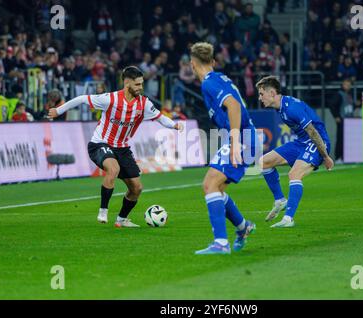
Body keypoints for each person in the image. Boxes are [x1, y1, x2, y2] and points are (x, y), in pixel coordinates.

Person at [48, 66, 183, 228]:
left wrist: (174, 125)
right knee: (113, 169)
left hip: (122, 148)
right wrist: (58, 110)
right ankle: (103, 210)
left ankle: (121, 219)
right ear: (127, 84)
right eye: (138, 84)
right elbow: (82, 99)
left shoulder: (143, 103)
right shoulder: (110, 99)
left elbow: (160, 117)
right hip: (100, 144)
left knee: (137, 188)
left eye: (142, 84)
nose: (141, 88)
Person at [190, 42, 256, 255]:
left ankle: (221, 243)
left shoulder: (209, 83)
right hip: (243, 137)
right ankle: (243, 226)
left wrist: (236, 141)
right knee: (215, 188)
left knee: (209, 185)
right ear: (213, 62)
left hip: (242, 138)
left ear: (192, 64)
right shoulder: (219, 78)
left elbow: (234, 106)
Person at [256, 76, 334, 228]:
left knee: (294, 174)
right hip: (301, 142)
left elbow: (312, 131)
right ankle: (280, 200)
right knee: (263, 162)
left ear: (272, 93)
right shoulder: (281, 107)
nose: (260, 98)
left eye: (261, 94)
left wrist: (325, 156)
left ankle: (288, 219)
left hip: (317, 141)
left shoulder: (291, 108)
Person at [331, 78, 355, 163]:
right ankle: (338, 157)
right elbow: (332, 105)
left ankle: (347, 156)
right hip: (342, 120)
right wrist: (336, 116)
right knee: (341, 138)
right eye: (346, 85)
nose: (347, 86)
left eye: (349, 85)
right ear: (342, 85)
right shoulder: (339, 94)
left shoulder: (349, 95)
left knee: (349, 139)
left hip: (350, 121)